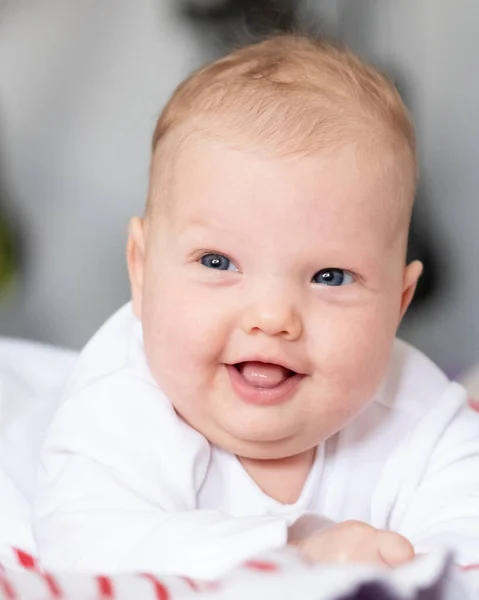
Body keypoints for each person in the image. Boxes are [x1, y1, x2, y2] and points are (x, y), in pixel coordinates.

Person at [32, 35, 479, 580]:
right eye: (218, 263)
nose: (271, 318)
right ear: (142, 270)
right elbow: (85, 544)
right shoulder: (121, 400)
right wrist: (293, 555)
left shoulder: (419, 409)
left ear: (398, 304)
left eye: (329, 276)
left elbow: (466, 537)